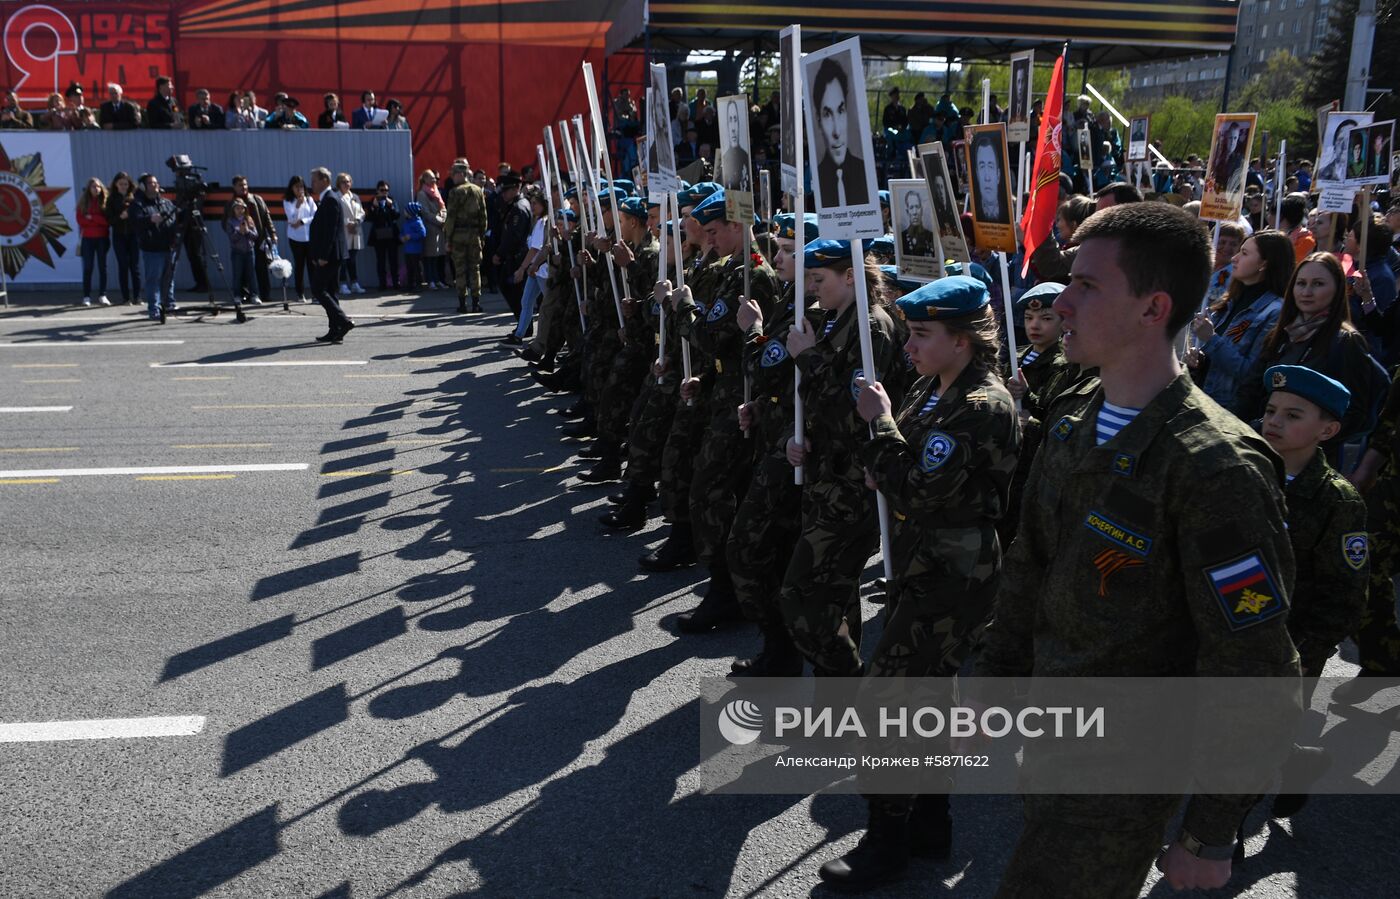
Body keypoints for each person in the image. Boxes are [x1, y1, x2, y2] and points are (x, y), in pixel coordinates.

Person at [975, 201, 1299, 898]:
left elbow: (1255, 662)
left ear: (1154, 308)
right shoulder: (1072, 419)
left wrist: (1211, 829)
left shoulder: (1215, 468)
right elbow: (1031, 564)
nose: (1061, 301)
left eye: (1087, 286)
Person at [817, 275, 1019, 890]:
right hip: (924, 562)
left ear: (963, 341)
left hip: (951, 571)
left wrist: (881, 431)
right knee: (927, 700)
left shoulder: (980, 406)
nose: (909, 346)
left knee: (886, 706)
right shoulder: (936, 390)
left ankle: (888, 837)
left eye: (923, 335)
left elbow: (920, 488)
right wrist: (889, 450)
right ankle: (929, 820)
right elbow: (902, 472)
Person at [778, 238, 904, 672]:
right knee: (837, 597)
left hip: (852, 487)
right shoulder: (834, 321)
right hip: (825, 476)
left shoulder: (873, 329)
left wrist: (808, 360)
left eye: (818, 279)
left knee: (801, 597)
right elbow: (816, 407)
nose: (811, 288)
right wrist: (796, 439)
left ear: (850, 276)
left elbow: (856, 417)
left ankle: (851, 680)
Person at [669, 189, 780, 631]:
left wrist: (683, 309)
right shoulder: (733, 269)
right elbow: (724, 350)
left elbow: (714, 338)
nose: (709, 240)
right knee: (712, 488)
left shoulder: (754, 277)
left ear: (737, 226)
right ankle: (724, 587)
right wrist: (707, 377)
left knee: (712, 489)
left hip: (742, 401)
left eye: (715, 231)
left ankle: (724, 592)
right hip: (725, 391)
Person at [1233, 253, 1383, 452]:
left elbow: (1354, 413)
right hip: (1261, 447)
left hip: (1304, 460)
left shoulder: (1346, 342)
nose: (1307, 292)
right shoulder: (1281, 334)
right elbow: (1250, 391)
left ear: (1337, 290)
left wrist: (1307, 440)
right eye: (1301, 283)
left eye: (1318, 284)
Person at [1189, 230, 1292, 410]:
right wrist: (1200, 360)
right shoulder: (1231, 300)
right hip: (1203, 398)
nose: (1234, 259)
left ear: (1263, 264)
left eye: (1244, 253)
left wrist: (1211, 339)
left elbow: (1251, 373)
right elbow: (1218, 360)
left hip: (1228, 410)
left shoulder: (1275, 312)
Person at [813, 57, 869, 207]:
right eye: (827, 114)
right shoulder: (815, 178)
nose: (837, 131)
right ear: (818, 121)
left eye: (840, 110)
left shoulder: (865, 174)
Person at [307, 166, 355, 343]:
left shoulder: (331, 199)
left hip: (330, 256)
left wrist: (323, 256)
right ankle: (335, 329)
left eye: (314, 180)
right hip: (331, 254)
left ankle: (343, 320)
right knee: (330, 292)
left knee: (318, 289)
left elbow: (331, 231)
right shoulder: (326, 198)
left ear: (324, 181)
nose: (311, 184)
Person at [1345, 215, 1399, 365]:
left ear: (1360, 245)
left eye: (1350, 236)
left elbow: (1380, 331)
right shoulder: (1351, 267)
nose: (1345, 239)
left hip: (1364, 354)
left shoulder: (1382, 278)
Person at [132, 173, 181, 322]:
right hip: (152, 248)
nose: (155, 185)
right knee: (153, 279)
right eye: (151, 183)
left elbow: (176, 218)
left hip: (169, 246)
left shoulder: (166, 202)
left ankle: (169, 304)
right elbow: (135, 221)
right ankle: (154, 308)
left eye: (156, 182)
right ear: (143, 186)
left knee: (169, 277)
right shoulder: (138, 204)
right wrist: (150, 219)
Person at [505, 190, 551, 344]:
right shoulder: (539, 220)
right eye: (531, 203)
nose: (532, 207)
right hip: (536, 270)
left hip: (541, 270)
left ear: (543, 204)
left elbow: (535, 249)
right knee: (526, 302)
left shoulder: (542, 222)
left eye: (535, 203)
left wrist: (522, 268)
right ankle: (518, 335)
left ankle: (550, 340)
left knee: (550, 306)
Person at [225, 176, 276, 305]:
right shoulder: (231, 204)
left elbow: (267, 217)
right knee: (240, 271)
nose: (244, 187)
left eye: (245, 185)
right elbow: (225, 223)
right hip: (239, 243)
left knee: (260, 269)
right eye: (240, 185)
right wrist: (236, 234)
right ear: (234, 187)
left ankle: (264, 294)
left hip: (257, 239)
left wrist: (272, 233)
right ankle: (243, 295)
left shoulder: (256, 199)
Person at [445, 160, 488, 313]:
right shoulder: (478, 190)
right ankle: (476, 303)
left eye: (454, 174)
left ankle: (462, 303)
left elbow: (450, 217)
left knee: (460, 270)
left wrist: (447, 238)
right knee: (475, 268)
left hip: (458, 235)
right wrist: (481, 235)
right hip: (474, 234)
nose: (452, 178)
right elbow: (484, 216)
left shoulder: (455, 192)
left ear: (461, 174)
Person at [494, 173, 533, 321]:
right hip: (515, 256)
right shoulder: (515, 205)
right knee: (514, 290)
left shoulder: (518, 208)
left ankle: (524, 324)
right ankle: (523, 324)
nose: (504, 194)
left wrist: (499, 254)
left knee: (514, 291)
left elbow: (513, 236)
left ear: (517, 188)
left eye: (507, 190)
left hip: (517, 257)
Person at [105, 172, 142, 306]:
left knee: (135, 267)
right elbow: (109, 220)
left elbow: (141, 215)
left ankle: (137, 297)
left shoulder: (135, 197)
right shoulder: (111, 199)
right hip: (119, 235)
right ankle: (125, 298)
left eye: (126, 184)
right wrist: (120, 217)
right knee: (123, 266)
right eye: (121, 184)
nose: (123, 186)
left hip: (133, 235)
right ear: (116, 184)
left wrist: (131, 215)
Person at [75, 177, 111, 307]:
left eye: (98, 187)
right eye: (93, 187)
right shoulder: (83, 203)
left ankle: (103, 295)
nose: (96, 189)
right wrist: (97, 220)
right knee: (88, 268)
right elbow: (81, 221)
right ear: (89, 189)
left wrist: (92, 217)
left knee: (103, 267)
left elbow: (107, 222)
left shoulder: (106, 202)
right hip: (87, 239)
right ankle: (86, 296)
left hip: (102, 238)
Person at [283, 175, 317, 302]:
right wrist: (298, 206)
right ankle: (300, 293)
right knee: (299, 265)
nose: (299, 189)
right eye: (296, 187)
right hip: (295, 238)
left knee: (312, 266)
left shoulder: (309, 200)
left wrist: (303, 221)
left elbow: (315, 216)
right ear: (291, 188)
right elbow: (291, 220)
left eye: (301, 186)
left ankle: (315, 294)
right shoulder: (287, 201)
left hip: (309, 237)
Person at [364, 180, 402, 290]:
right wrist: (374, 207)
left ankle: (396, 282)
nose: (384, 192)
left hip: (391, 234)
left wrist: (391, 206)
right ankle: (382, 284)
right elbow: (369, 218)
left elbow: (397, 216)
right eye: (382, 190)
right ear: (377, 190)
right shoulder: (373, 201)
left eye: (386, 190)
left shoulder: (392, 200)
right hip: (378, 235)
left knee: (393, 259)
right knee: (380, 261)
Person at [224, 197, 261, 304]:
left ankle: (254, 295)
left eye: (242, 208)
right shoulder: (230, 221)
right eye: (237, 208)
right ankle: (237, 296)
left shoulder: (249, 219)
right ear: (233, 210)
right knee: (237, 274)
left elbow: (255, 235)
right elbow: (231, 238)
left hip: (249, 251)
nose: (240, 210)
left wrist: (247, 231)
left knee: (252, 274)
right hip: (237, 252)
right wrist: (239, 232)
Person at [416, 170, 449, 289]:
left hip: (439, 228)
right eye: (431, 178)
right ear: (424, 179)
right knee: (429, 256)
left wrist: (444, 218)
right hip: (430, 228)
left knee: (438, 256)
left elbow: (443, 207)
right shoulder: (421, 194)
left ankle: (438, 279)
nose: (434, 180)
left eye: (434, 178)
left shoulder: (436, 192)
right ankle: (430, 280)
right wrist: (440, 221)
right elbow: (425, 212)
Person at [335, 173, 366, 294]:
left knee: (352, 260)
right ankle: (342, 284)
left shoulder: (355, 197)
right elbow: (335, 214)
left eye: (348, 181)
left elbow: (362, 212)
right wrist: (347, 224)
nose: (346, 184)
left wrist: (357, 222)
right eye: (343, 182)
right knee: (343, 259)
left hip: (355, 231)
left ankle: (354, 283)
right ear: (338, 184)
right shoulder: (336, 197)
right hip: (344, 231)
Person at [971, 131, 1008, 224]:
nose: (987, 177)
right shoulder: (972, 219)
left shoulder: (1010, 214)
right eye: (982, 167)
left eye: (991, 166)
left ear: (998, 175)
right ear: (977, 174)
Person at [720, 99, 751, 192]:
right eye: (730, 120)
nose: (733, 128)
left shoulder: (746, 157)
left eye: (735, 119)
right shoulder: (724, 157)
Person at [898, 189, 934, 259]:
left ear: (922, 209)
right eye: (911, 207)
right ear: (907, 211)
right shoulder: (901, 238)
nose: (915, 212)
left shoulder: (931, 236)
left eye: (917, 207)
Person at [401, 202, 428, 290]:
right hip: (408, 250)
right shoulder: (406, 222)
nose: (404, 212)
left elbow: (423, 233)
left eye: (405, 211)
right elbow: (402, 232)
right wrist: (401, 237)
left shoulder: (418, 222)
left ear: (410, 212)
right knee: (409, 268)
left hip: (416, 250)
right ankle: (410, 284)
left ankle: (419, 284)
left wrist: (411, 236)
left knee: (417, 268)